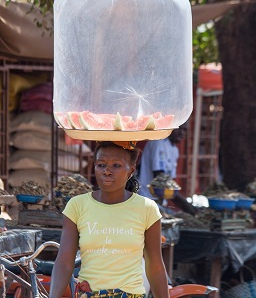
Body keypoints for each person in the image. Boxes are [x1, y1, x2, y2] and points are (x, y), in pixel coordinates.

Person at [49, 141, 170, 298]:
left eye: (117, 165)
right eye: (101, 165)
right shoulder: (77, 206)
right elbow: (64, 262)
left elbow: (155, 266)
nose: (107, 171)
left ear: (131, 170)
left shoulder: (147, 208)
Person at [138, 127, 187, 200]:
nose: (182, 133)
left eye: (185, 130)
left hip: (159, 198)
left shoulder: (175, 150)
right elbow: (159, 176)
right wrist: (187, 206)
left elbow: (170, 179)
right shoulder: (158, 142)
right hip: (145, 195)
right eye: (179, 129)